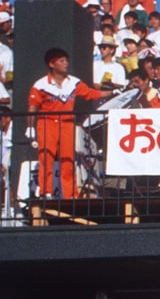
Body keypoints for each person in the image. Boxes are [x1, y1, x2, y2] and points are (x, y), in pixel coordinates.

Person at [28, 47, 110, 198]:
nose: (66, 63)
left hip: (67, 123)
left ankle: (70, 194)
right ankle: (46, 192)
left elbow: (91, 94)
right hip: (47, 123)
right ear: (52, 64)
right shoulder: (41, 84)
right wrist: (30, 127)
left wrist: (112, 92)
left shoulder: (73, 82)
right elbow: (33, 106)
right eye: (61, 61)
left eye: (66, 60)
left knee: (68, 159)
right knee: (46, 157)